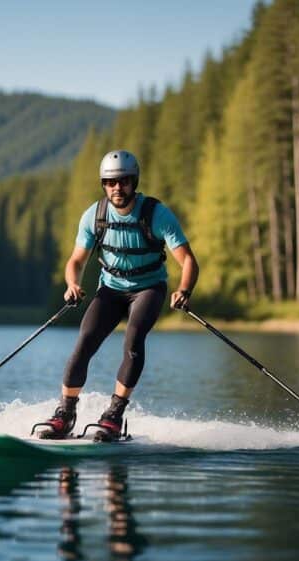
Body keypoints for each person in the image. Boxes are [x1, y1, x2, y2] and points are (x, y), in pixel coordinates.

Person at [37, 149, 199, 441]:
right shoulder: (94, 215)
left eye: (123, 181)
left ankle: (113, 414)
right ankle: (65, 413)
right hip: (110, 290)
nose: (117, 188)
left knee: (133, 339)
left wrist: (183, 290)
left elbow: (188, 260)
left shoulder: (156, 213)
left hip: (149, 288)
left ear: (134, 181)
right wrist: (72, 284)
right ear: (104, 185)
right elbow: (75, 261)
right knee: (84, 341)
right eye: (110, 182)